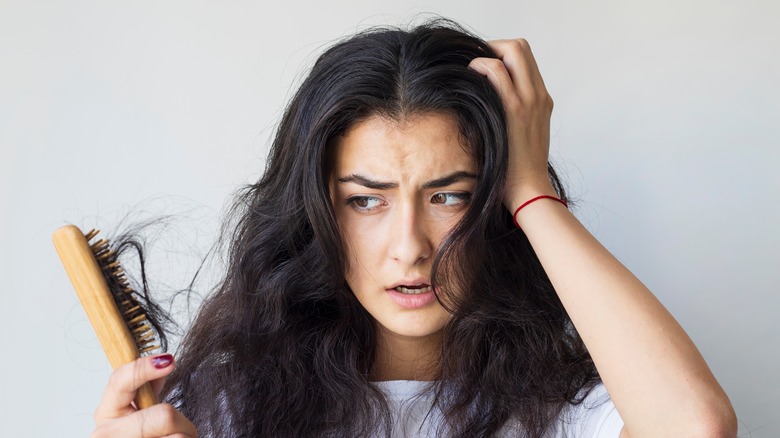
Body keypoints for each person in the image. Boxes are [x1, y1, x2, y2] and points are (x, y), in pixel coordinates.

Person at [89, 19, 737, 437]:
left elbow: (695, 425)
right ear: (314, 212)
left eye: (449, 196)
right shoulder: (224, 410)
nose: (410, 248)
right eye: (366, 201)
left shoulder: (566, 412)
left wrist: (530, 187)